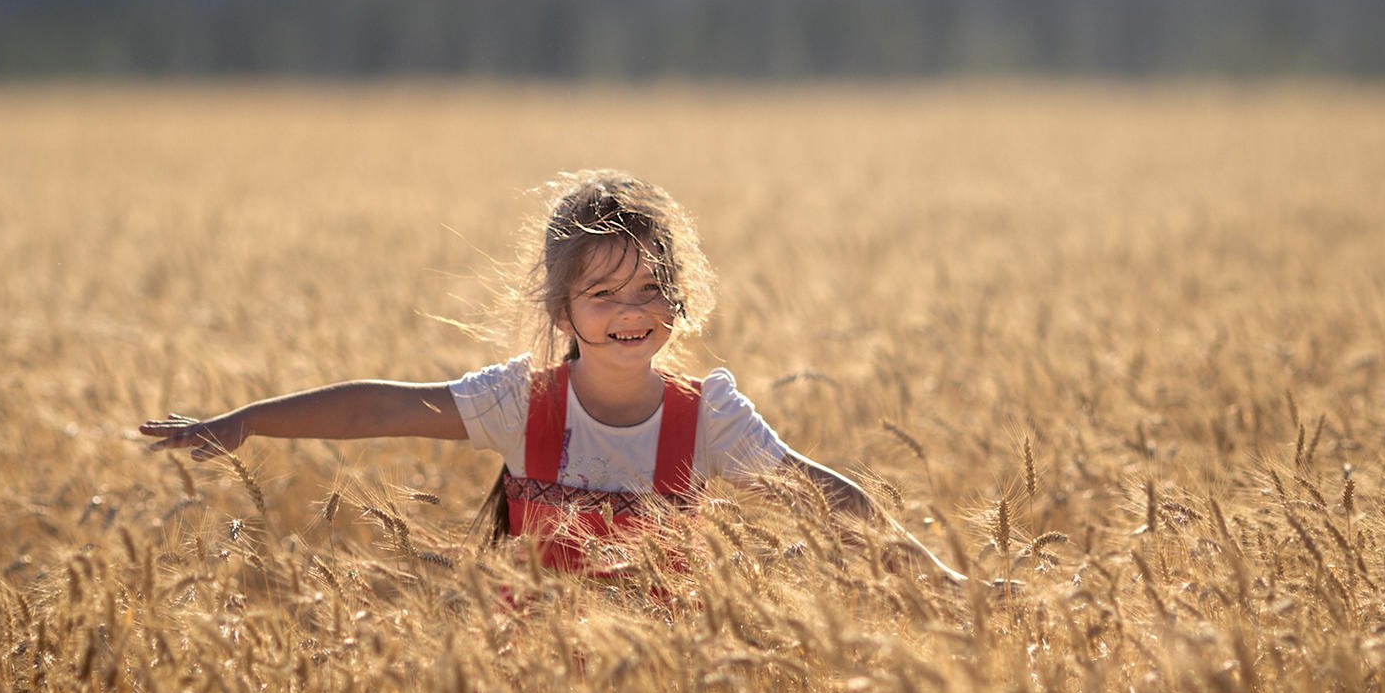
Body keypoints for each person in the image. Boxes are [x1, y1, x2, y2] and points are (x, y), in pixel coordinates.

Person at [138, 170, 960, 585]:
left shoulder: (707, 417)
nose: (629, 312)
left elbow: (828, 497)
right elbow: (380, 408)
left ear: (677, 297)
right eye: (602, 295)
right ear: (562, 313)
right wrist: (248, 419)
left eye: (649, 290)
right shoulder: (520, 403)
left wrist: (946, 580)